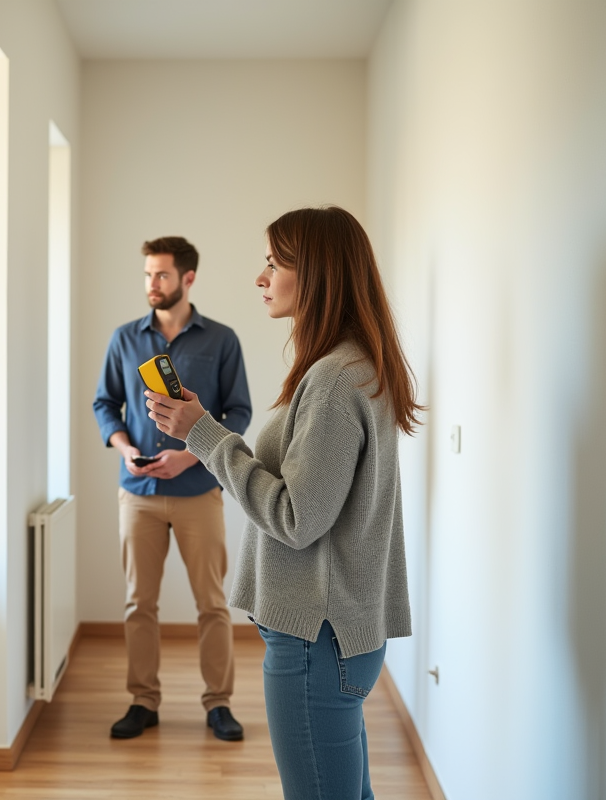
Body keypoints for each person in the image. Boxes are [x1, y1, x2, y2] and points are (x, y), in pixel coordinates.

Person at [143, 207, 419, 799]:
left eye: (274, 263)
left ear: (315, 273)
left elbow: (296, 519)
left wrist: (203, 435)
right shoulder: (346, 364)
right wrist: (203, 426)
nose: (260, 277)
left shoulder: (335, 379)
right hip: (335, 634)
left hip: (316, 640)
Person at [93, 236, 253, 741]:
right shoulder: (124, 339)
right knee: (139, 603)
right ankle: (143, 700)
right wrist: (124, 449)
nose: (152, 283)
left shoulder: (222, 340)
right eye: (147, 274)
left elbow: (239, 412)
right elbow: (105, 404)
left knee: (212, 603)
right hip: (137, 492)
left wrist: (190, 454)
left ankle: (219, 704)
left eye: (161, 274)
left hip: (199, 490)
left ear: (188, 278)